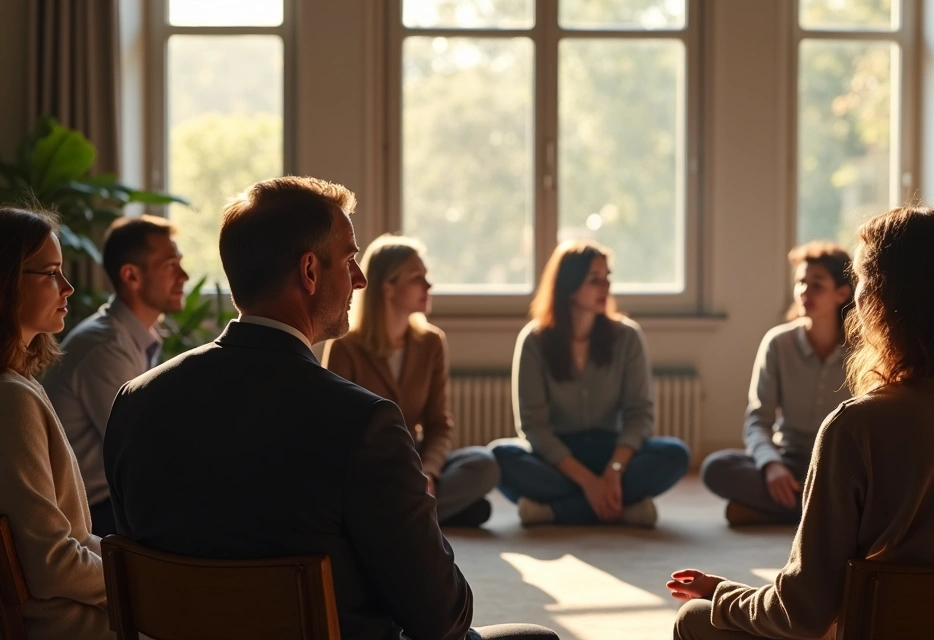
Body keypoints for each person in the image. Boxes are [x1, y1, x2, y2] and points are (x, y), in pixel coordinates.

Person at [103, 177, 557, 640]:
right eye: (350, 259)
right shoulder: (363, 424)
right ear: (310, 272)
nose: (360, 278)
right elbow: (443, 618)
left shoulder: (135, 403)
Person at [667, 206, 934, 640]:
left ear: (876, 302)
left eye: (860, 282)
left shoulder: (856, 425)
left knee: (696, 620)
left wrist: (724, 595)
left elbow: (805, 612)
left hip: (892, 627)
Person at [491, 241, 690, 527]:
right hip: (559, 459)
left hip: (612, 452)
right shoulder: (534, 340)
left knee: (674, 454)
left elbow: (639, 414)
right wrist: (589, 483)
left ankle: (556, 512)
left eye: (608, 277)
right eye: (595, 280)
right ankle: (623, 507)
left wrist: (613, 473)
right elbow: (533, 425)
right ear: (568, 286)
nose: (606, 287)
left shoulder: (627, 336)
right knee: (500, 457)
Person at [323, 234, 499, 527]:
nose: (429, 286)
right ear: (388, 287)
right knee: (349, 491)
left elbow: (438, 424)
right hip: (370, 471)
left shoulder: (431, 342)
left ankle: (401, 517)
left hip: (415, 463)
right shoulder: (346, 347)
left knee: (485, 464)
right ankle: (423, 515)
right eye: (417, 277)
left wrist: (428, 472)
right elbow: (334, 431)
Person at [0, 207, 114, 639]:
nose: (68, 288)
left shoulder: (20, 385)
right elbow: (51, 565)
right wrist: (142, 583)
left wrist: (136, 563)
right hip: (72, 625)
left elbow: (73, 541)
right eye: (50, 273)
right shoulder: (10, 398)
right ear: (6, 282)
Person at [42, 215, 189, 536]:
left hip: (112, 503)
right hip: (90, 515)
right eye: (170, 266)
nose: (184, 276)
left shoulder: (129, 337)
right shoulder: (105, 347)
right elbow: (142, 452)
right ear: (131, 276)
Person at [701, 242, 853, 526]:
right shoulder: (778, 343)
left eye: (816, 284)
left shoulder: (863, 349)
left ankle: (774, 511)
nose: (804, 292)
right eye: (800, 283)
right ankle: (820, 513)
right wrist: (771, 466)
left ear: (842, 293)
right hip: (790, 462)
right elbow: (758, 421)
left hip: (839, 468)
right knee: (715, 468)